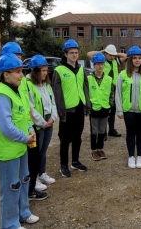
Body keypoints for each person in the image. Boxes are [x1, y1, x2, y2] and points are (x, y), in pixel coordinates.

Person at [0, 53, 39, 229]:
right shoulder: (1, 94)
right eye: (17, 72)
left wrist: (30, 128)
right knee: (11, 188)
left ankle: (23, 213)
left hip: (20, 147)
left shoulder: (14, 90)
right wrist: (26, 137)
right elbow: (6, 127)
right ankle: (9, 224)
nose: (21, 75)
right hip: (7, 152)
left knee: (24, 180)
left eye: (21, 71)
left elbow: (23, 113)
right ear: (5, 74)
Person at [0, 42, 48, 197]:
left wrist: (30, 125)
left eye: (20, 57)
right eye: (16, 57)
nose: (19, 61)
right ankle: (28, 192)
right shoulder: (2, 88)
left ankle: (30, 189)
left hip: (27, 127)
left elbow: (25, 105)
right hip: (17, 136)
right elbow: (7, 120)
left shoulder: (20, 81)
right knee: (24, 168)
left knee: (31, 162)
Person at [52, 39, 91, 177]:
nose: (74, 55)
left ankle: (75, 161)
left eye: (76, 52)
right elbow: (57, 93)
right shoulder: (59, 70)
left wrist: (87, 106)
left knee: (77, 137)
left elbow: (85, 87)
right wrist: (61, 113)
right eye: (71, 53)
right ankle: (63, 165)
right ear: (66, 54)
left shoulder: (81, 69)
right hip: (67, 110)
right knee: (65, 138)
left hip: (79, 108)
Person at [115, 46, 141, 169]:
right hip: (129, 110)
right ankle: (131, 156)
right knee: (130, 133)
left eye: (139, 58)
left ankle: (140, 156)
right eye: (134, 58)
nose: (137, 60)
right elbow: (118, 93)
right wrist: (119, 109)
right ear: (130, 60)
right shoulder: (123, 74)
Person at [26, 55, 58, 186]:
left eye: (46, 70)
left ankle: (42, 173)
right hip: (38, 124)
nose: (45, 73)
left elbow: (53, 102)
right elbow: (31, 108)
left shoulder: (46, 85)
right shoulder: (28, 85)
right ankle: (34, 177)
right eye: (42, 71)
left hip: (48, 121)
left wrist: (52, 118)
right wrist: (42, 123)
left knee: (43, 150)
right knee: (36, 152)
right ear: (35, 71)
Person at [87, 44, 127, 138]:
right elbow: (89, 54)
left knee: (112, 109)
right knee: (103, 109)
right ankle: (103, 131)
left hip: (113, 87)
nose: (112, 57)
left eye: (113, 56)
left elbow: (125, 56)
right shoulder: (101, 60)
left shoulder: (115, 61)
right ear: (105, 54)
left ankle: (111, 129)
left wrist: (114, 53)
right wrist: (102, 51)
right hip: (103, 87)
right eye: (110, 55)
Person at [87, 53, 114, 161]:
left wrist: (110, 104)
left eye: (102, 64)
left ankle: (100, 148)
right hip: (94, 108)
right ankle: (94, 150)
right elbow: (87, 94)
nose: (100, 66)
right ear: (94, 65)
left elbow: (112, 93)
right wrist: (88, 107)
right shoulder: (89, 78)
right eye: (98, 64)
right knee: (94, 130)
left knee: (102, 130)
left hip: (105, 107)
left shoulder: (108, 79)